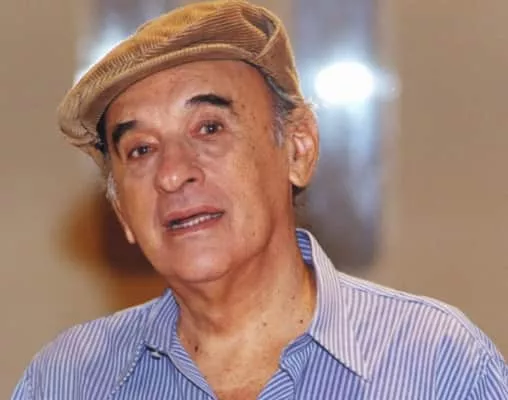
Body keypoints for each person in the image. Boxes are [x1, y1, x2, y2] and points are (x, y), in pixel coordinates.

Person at [12, 1, 508, 399]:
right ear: (122, 210)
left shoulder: (436, 365)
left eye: (209, 128)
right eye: (140, 149)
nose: (173, 173)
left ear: (298, 149)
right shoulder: (67, 380)